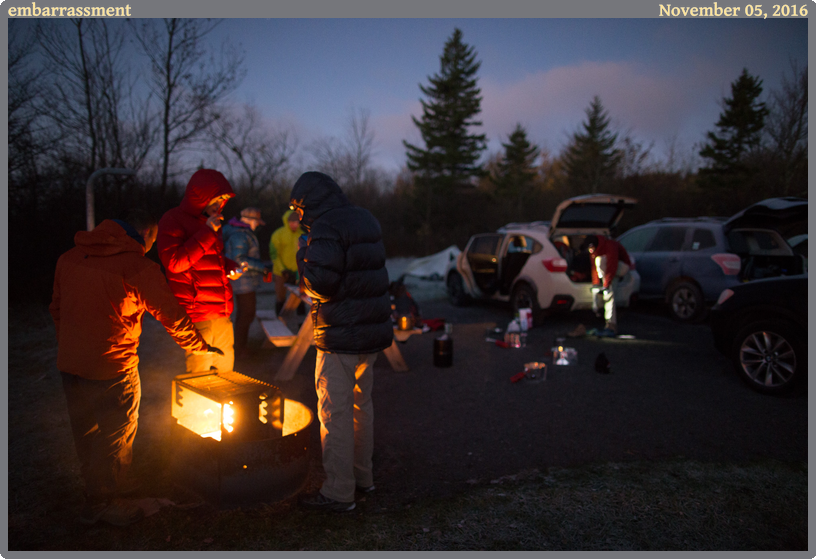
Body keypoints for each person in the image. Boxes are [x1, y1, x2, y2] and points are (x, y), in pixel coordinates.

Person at [49, 210, 222, 527]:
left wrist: (71, 346)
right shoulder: (137, 266)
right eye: (153, 240)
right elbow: (170, 313)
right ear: (144, 234)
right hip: (113, 367)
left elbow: (56, 307)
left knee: (86, 430)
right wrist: (199, 346)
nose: (152, 247)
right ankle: (102, 502)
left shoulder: (69, 257)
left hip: (71, 365)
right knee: (115, 433)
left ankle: (103, 485)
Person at [290, 171, 392, 513]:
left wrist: (302, 254)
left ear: (309, 205)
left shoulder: (325, 228)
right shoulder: (366, 218)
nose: (299, 218)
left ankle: (338, 492)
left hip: (340, 338)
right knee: (362, 408)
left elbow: (319, 285)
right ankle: (364, 478)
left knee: (334, 413)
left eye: (299, 209)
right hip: (370, 334)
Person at [157, 169, 243, 374]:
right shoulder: (173, 220)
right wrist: (207, 232)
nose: (219, 205)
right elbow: (175, 263)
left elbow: (212, 260)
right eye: (215, 199)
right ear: (200, 196)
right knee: (200, 372)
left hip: (221, 311)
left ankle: (224, 406)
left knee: (225, 370)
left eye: (222, 200)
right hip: (197, 312)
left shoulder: (211, 223)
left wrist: (231, 268)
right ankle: (197, 406)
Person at [222, 207, 272, 357]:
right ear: (251, 220)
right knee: (247, 313)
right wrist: (262, 267)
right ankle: (240, 348)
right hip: (243, 281)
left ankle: (240, 346)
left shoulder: (241, 233)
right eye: (257, 222)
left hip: (244, 280)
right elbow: (240, 259)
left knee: (244, 314)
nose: (257, 225)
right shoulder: (240, 235)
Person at [581, 234, 633, 337]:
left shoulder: (610, 245)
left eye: (591, 248)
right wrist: (596, 284)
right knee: (599, 261)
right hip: (608, 270)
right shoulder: (594, 251)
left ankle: (611, 325)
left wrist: (606, 285)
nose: (590, 251)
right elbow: (594, 268)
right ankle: (607, 319)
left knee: (609, 292)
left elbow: (612, 266)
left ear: (595, 245)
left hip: (622, 267)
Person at [269, 209, 304, 315]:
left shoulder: (302, 235)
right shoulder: (278, 234)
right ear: (287, 221)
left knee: (300, 299)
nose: (294, 225)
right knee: (280, 298)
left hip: (297, 273)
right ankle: (279, 324)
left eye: (297, 222)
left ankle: (300, 326)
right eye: (292, 222)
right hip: (281, 272)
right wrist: (282, 269)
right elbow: (274, 255)